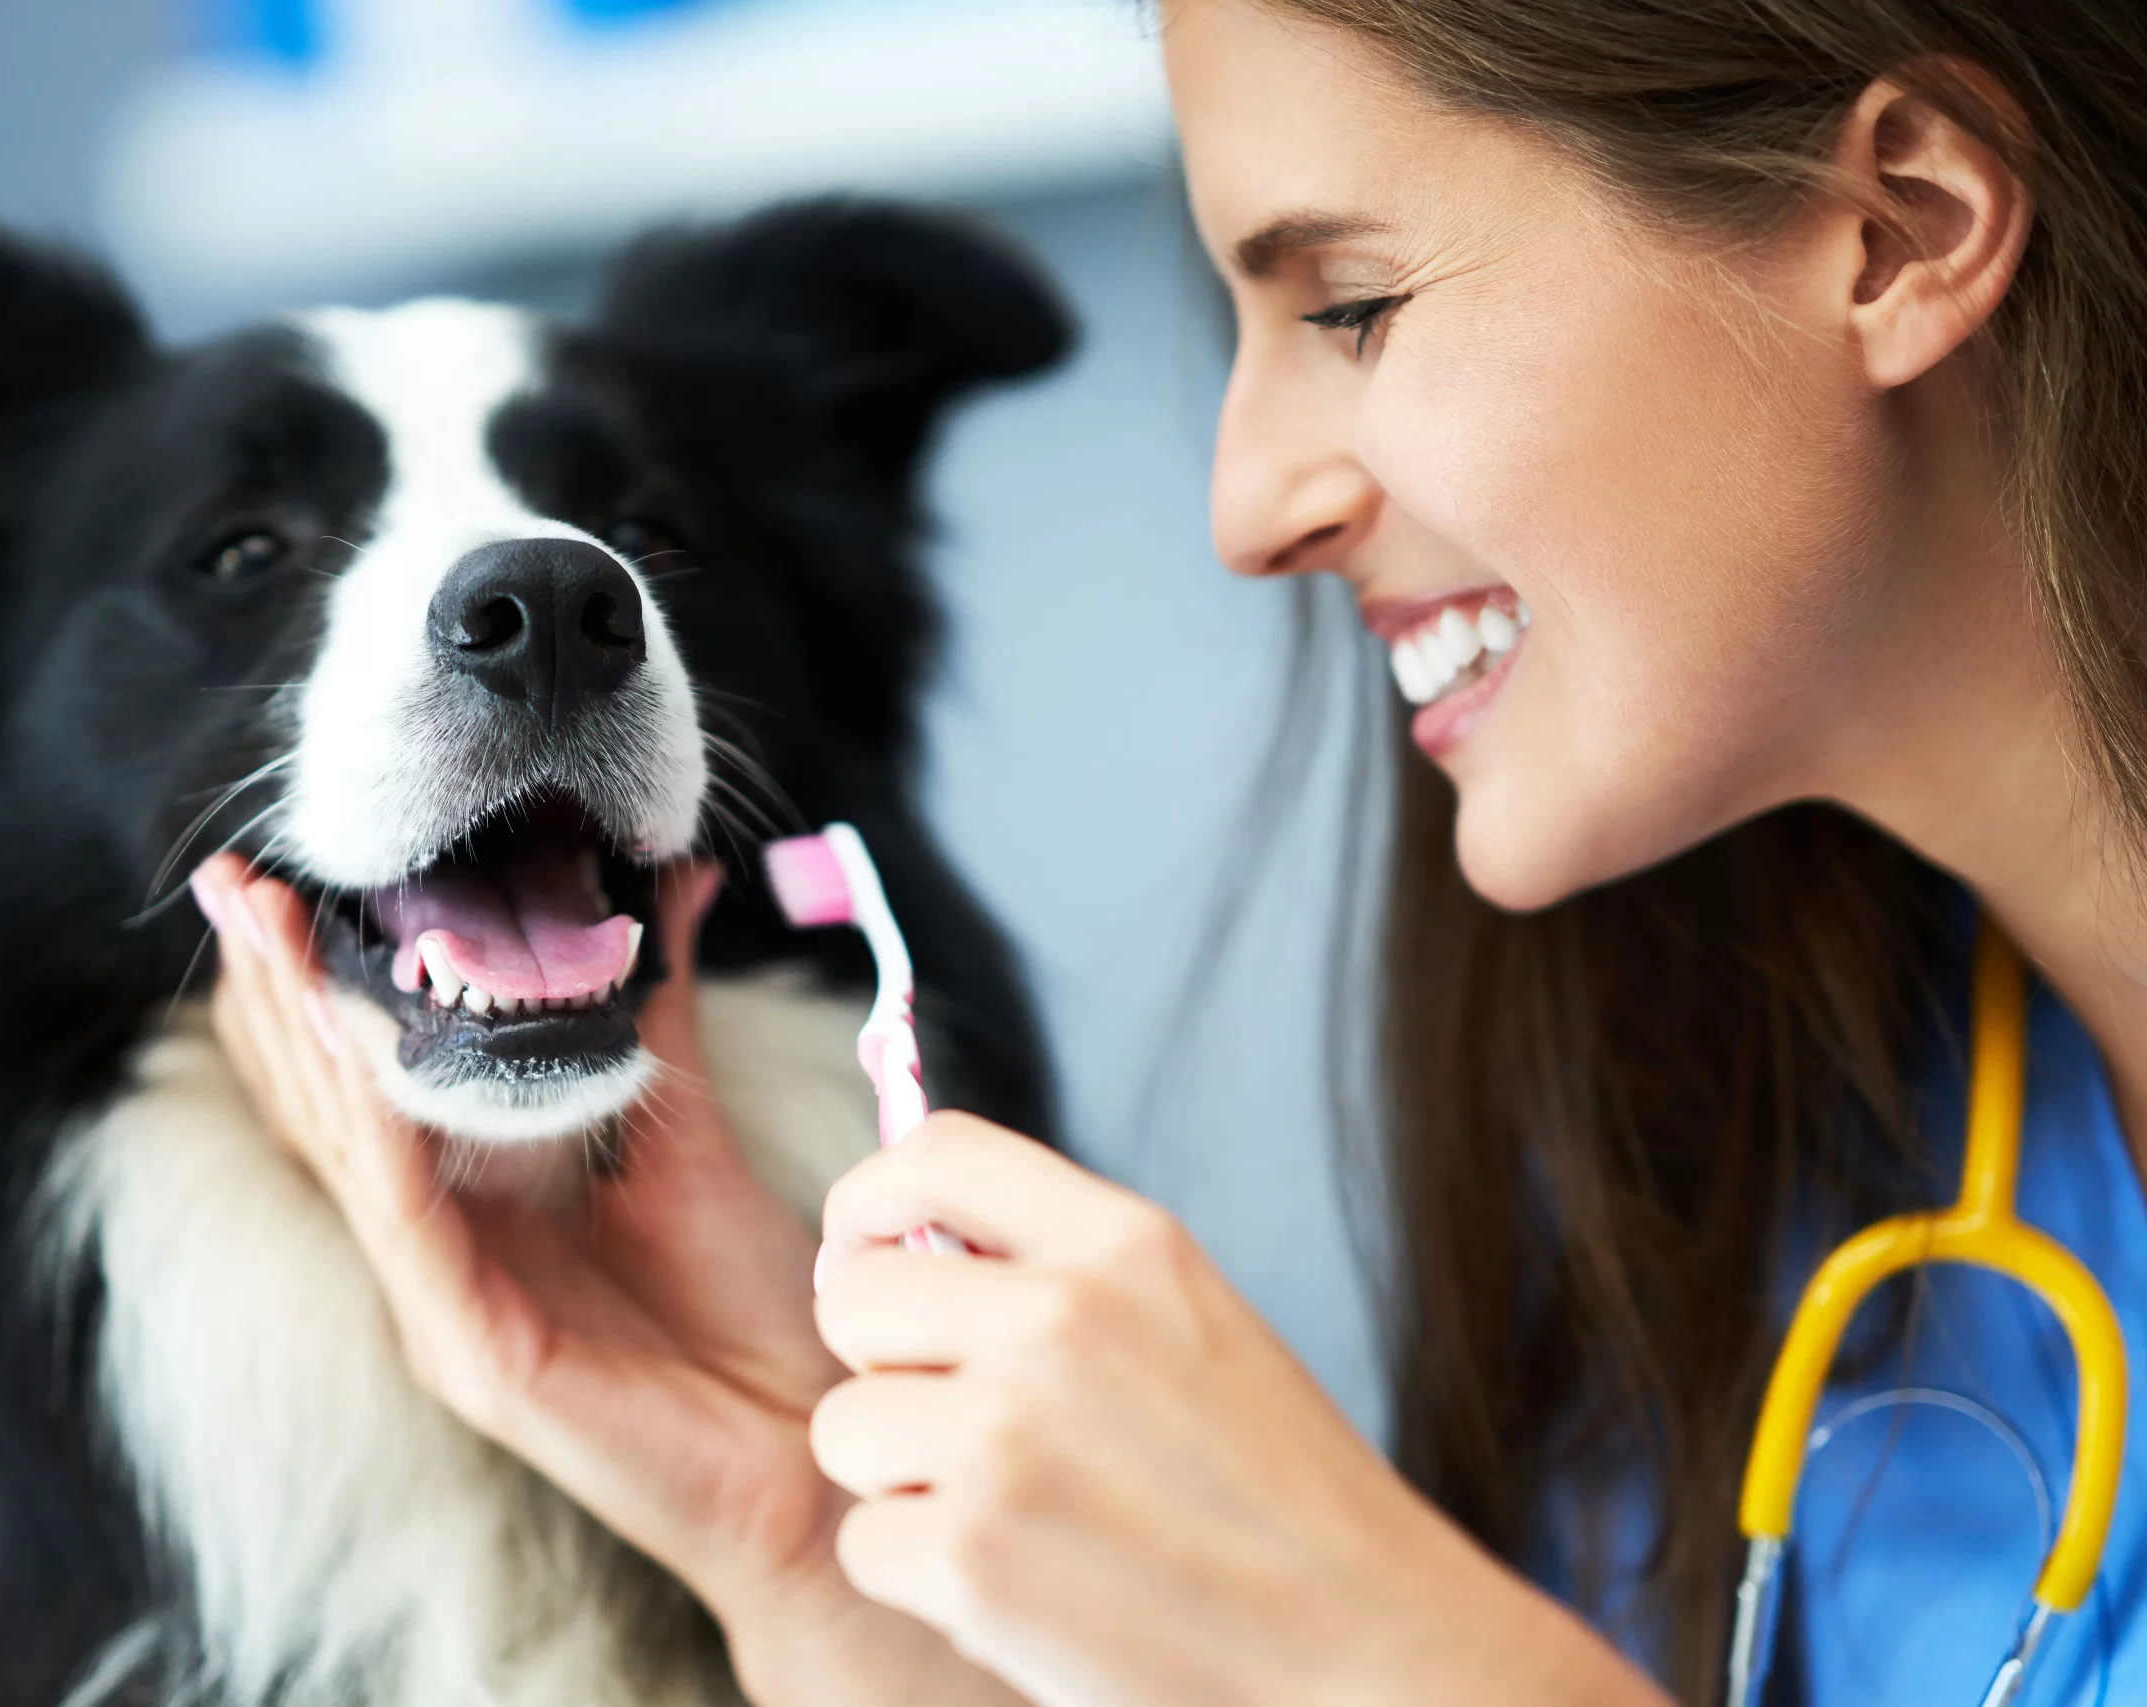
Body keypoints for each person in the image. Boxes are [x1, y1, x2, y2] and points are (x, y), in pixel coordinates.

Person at [182, 0, 2147, 1700]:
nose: (1244, 504)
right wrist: (799, 1534)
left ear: (1898, 229)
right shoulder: (1784, 1165)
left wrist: (1377, 1648)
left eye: (1350, 308)